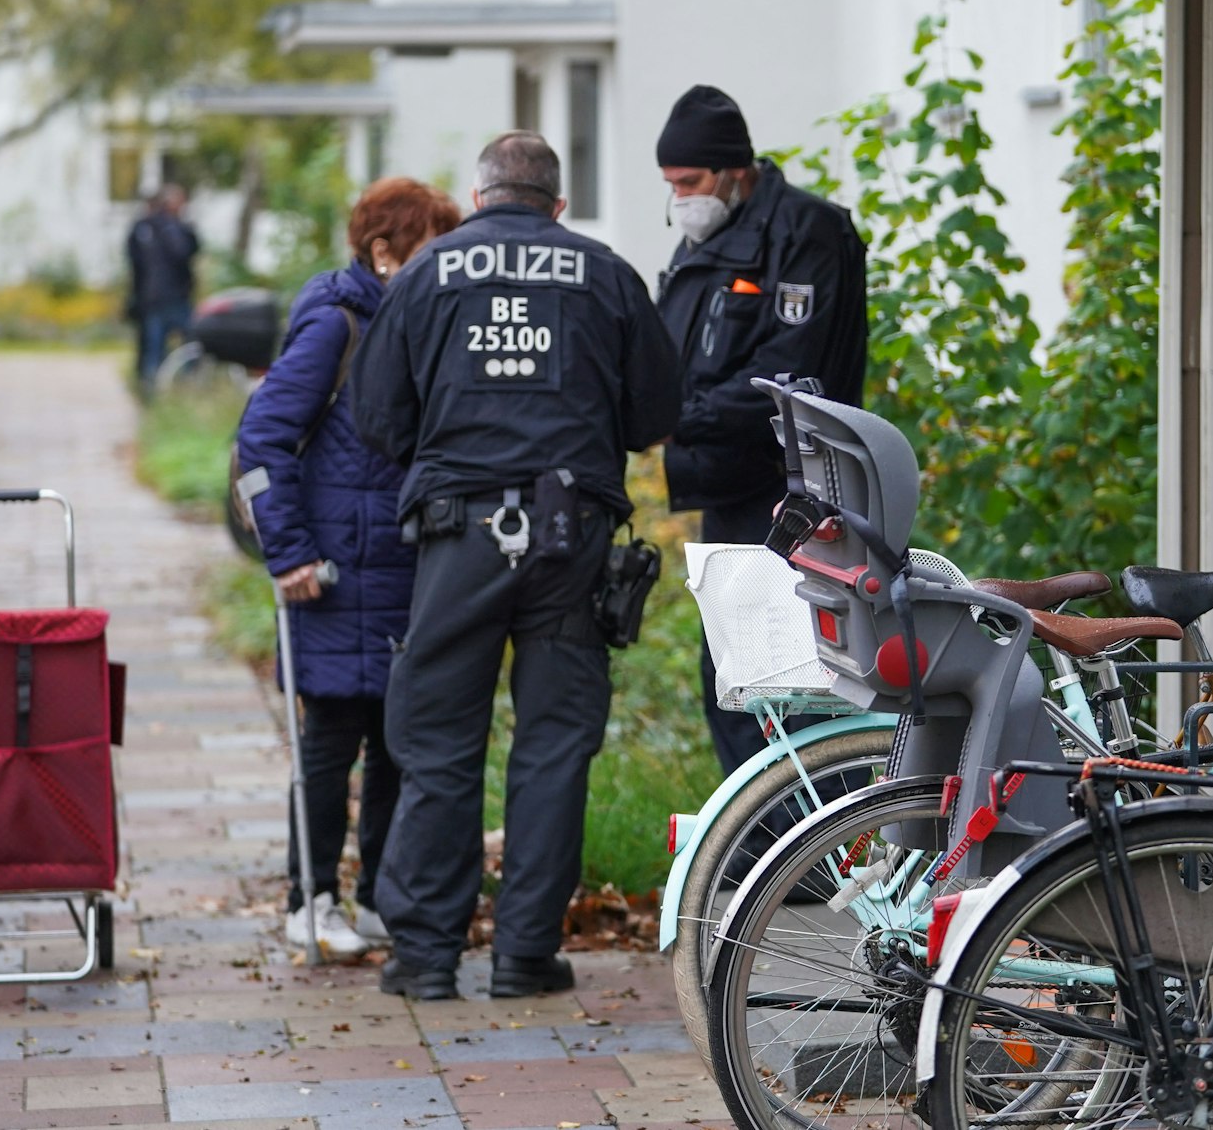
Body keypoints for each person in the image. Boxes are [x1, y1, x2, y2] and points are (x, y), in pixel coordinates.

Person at [350, 133, 680, 1002]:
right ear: (557, 206)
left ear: (481, 196)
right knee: (553, 745)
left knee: (438, 742)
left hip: (459, 538)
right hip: (570, 541)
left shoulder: (428, 275)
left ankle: (424, 957)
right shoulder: (605, 274)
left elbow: (377, 417)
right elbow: (655, 411)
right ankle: (525, 955)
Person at [236, 177, 462, 958]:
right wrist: (289, 553)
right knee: (332, 741)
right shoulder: (338, 326)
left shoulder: (413, 322)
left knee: (397, 740)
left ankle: (375, 899)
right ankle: (311, 898)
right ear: (383, 250)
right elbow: (260, 441)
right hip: (333, 573)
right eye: (431, 245)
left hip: (400, 571)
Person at [653, 84, 868, 773]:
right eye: (671, 184)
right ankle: (761, 859)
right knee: (734, 679)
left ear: (733, 169)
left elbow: (787, 380)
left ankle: (805, 860)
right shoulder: (705, 243)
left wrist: (670, 418)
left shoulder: (806, 234)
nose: (680, 197)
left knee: (792, 683)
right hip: (728, 492)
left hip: (794, 497)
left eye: (689, 181)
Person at [126, 184, 200, 392]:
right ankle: (157, 390)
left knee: (179, 347)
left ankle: (171, 387)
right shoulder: (163, 229)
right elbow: (183, 253)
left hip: (165, 297)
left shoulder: (152, 228)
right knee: (161, 349)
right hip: (162, 299)